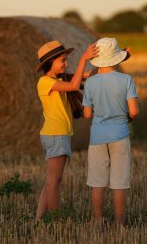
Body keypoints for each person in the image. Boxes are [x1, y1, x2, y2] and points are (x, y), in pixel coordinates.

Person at [35, 40, 98, 219]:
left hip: (56, 134)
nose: (65, 63)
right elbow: (73, 85)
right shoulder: (45, 82)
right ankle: (56, 221)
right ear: (50, 62)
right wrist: (83, 59)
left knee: (51, 182)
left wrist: (113, 60)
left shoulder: (58, 80)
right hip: (55, 135)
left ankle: (39, 219)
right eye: (62, 60)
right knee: (54, 182)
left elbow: (84, 75)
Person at [82, 37, 139, 225]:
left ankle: (98, 223)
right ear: (117, 58)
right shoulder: (126, 80)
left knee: (97, 183)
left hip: (97, 137)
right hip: (120, 135)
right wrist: (125, 118)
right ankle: (119, 226)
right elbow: (134, 111)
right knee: (119, 184)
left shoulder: (90, 82)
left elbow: (87, 114)